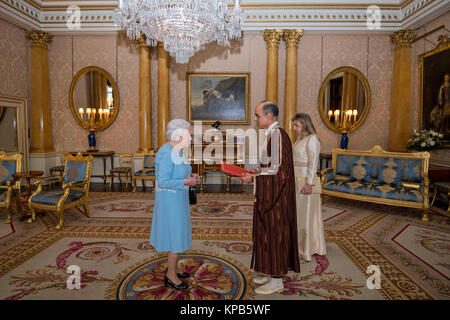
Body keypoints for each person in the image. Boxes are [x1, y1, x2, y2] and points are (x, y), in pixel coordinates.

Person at [241, 101, 300, 295]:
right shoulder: (273, 135)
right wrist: (255, 171)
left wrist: (254, 177)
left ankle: (276, 281)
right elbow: (270, 166)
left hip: (277, 200)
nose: (255, 119)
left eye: (257, 115)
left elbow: (279, 173)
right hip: (273, 197)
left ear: (269, 116)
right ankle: (269, 272)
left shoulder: (278, 136)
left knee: (276, 237)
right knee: (268, 235)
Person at [149, 119, 200, 290]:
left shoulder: (177, 151)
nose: (190, 137)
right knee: (174, 236)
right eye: (188, 134)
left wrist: (192, 176)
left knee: (178, 234)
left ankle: (173, 269)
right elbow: (163, 181)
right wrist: (187, 181)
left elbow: (180, 171)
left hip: (179, 200)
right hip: (170, 203)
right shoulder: (165, 152)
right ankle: (170, 275)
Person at [292, 113, 327, 261]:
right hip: (296, 180)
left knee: (305, 216)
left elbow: (313, 163)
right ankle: (299, 245)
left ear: (305, 125)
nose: (294, 128)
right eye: (294, 125)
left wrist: (309, 183)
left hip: (305, 182)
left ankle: (305, 250)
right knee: (298, 216)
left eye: (297, 126)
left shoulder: (312, 140)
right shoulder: (300, 139)